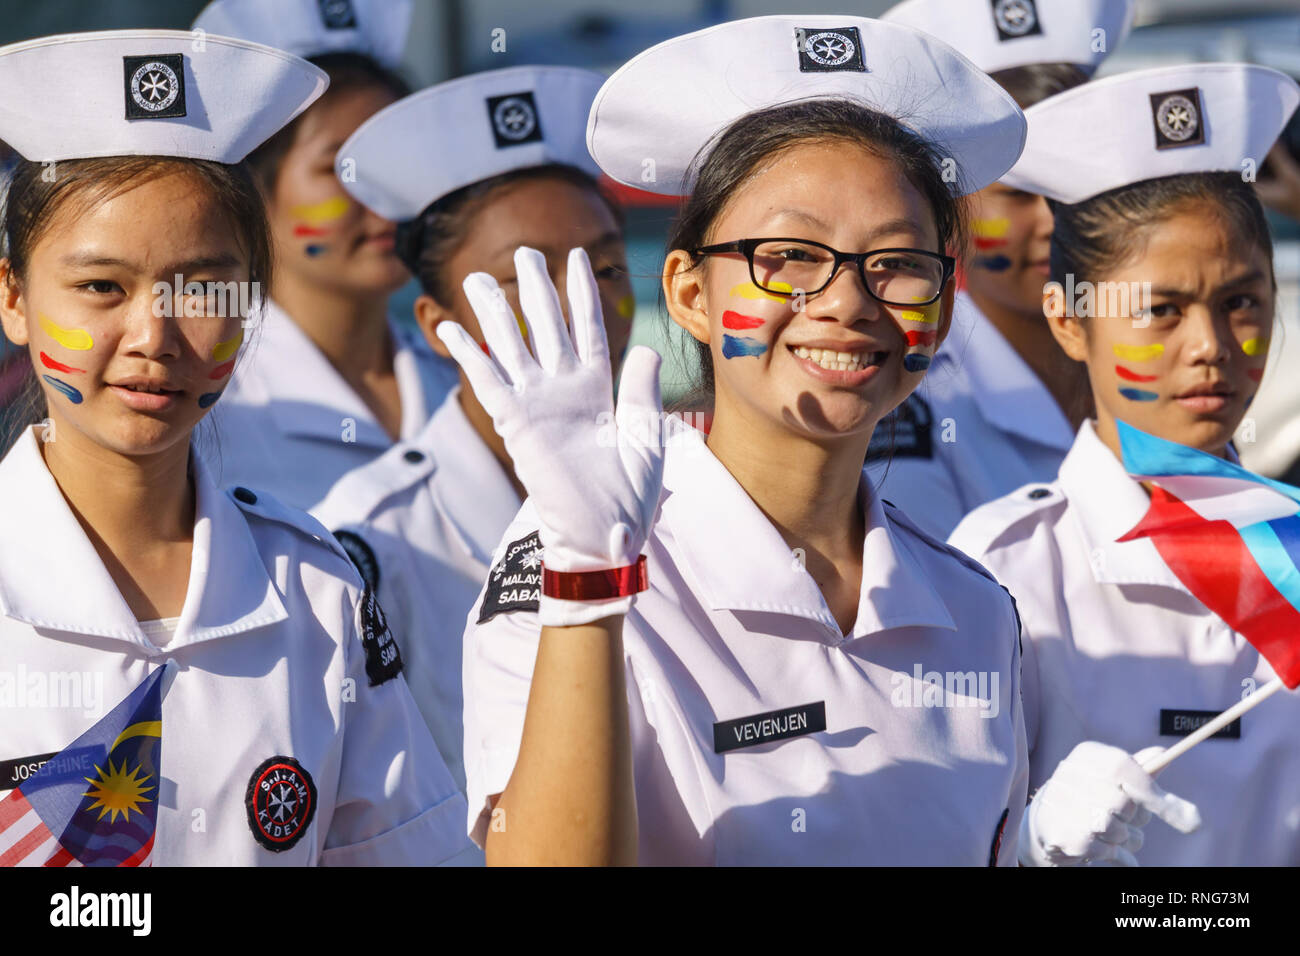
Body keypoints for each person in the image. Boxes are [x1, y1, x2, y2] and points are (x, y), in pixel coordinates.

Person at [442, 15, 1032, 865]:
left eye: (898, 261)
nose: (846, 301)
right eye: (789, 255)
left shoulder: (976, 609)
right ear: (688, 292)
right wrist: (586, 585)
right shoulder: (575, 554)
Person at [0, 29, 471, 865]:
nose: (154, 335)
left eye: (203, 288)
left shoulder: (320, 590)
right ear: (13, 298)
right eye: (101, 287)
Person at [950, 63, 1300, 865]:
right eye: (1160, 311)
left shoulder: (1294, 546)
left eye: (1241, 301)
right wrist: (1030, 845)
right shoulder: (1008, 570)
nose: (1211, 347)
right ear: (1070, 320)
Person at [312, 65, 635, 799]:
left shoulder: (688, 493)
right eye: (526, 278)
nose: (579, 303)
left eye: (606, 265)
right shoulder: (369, 545)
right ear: (439, 327)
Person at [870, 0, 1135, 538]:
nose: (1051, 224)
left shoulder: (1157, 349)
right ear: (949, 208)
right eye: (1017, 196)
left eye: (1076, 193)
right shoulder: (908, 398)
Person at [190, 0, 459, 509]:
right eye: (342, 168)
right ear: (253, 192)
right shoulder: (205, 407)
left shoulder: (467, 376)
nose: (382, 194)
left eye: (398, 157)